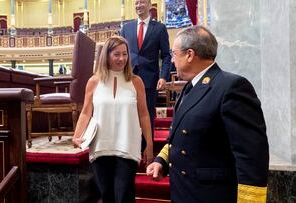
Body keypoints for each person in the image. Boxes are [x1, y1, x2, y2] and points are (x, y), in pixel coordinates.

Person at [146, 26, 269, 203]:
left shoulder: (231, 87)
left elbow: (251, 155)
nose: (172, 61)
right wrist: (161, 161)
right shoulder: (189, 87)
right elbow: (181, 136)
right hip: (184, 191)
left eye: (174, 54)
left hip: (210, 194)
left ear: (189, 54)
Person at [72, 36, 153, 203]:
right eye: (117, 54)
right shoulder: (94, 82)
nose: (122, 59)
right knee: (107, 195)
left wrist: (149, 145)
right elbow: (86, 112)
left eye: (125, 54)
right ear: (106, 56)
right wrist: (77, 135)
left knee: (123, 195)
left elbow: (144, 114)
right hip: (101, 146)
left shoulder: (136, 82)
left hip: (128, 146)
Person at [120, 0, 171, 149]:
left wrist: (163, 77)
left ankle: (147, 148)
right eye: (136, 3)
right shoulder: (126, 28)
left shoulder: (160, 28)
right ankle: (130, 147)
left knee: (147, 114)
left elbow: (166, 56)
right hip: (128, 78)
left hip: (150, 79)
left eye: (142, 2)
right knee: (128, 113)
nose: (138, 5)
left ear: (150, 5)